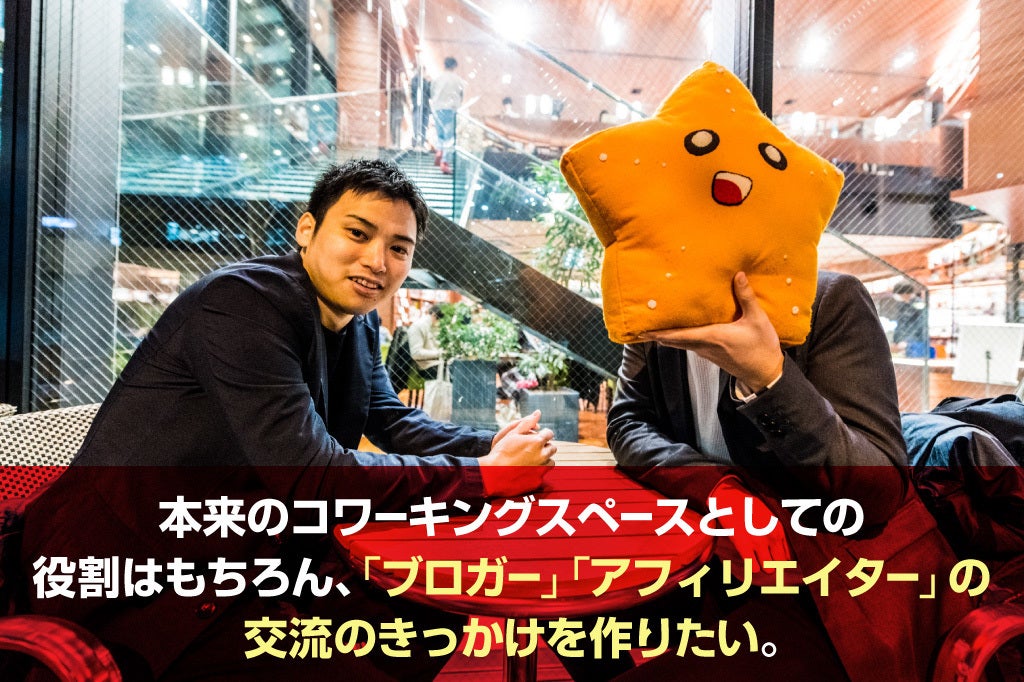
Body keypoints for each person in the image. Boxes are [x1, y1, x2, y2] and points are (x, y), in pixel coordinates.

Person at [19, 159, 556, 681]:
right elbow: (311, 474)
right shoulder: (243, 303)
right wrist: (485, 475)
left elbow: (390, 420)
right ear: (307, 230)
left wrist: (497, 443)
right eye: (358, 233)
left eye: (398, 248)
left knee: (431, 609)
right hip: (142, 583)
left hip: (255, 555)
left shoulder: (358, 323)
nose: (377, 261)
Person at [597, 271, 971, 681]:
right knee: (573, 619)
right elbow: (628, 421)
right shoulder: (658, 309)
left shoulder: (825, 300)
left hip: (830, 584)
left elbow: (879, 492)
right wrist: (717, 487)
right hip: (712, 560)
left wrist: (769, 377)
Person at [429, 56, 464, 175]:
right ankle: (444, 162)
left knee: (440, 134)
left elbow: (432, 93)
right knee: (449, 137)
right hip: (450, 109)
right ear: (454, 66)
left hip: (438, 109)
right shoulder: (458, 80)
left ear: (444, 65)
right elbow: (461, 95)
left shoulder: (437, 78)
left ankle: (439, 151)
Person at [407, 304, 444, 380]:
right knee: (457, 372)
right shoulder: (418, 326)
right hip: (427, 366)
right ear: (434, 315)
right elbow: (416, 353)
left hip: (439, 363)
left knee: (460, 367)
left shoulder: (435, 326)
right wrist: (440, 354)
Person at [409, 65, 431, 150]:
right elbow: (414, 90)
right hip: (418, 105)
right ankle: (417, 142)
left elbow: (429, 94)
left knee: (424, 124)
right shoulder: (415, 79)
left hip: (425, 106)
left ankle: (421, 142)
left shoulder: (425, 81)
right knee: (417, 124)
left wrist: (429, 83)